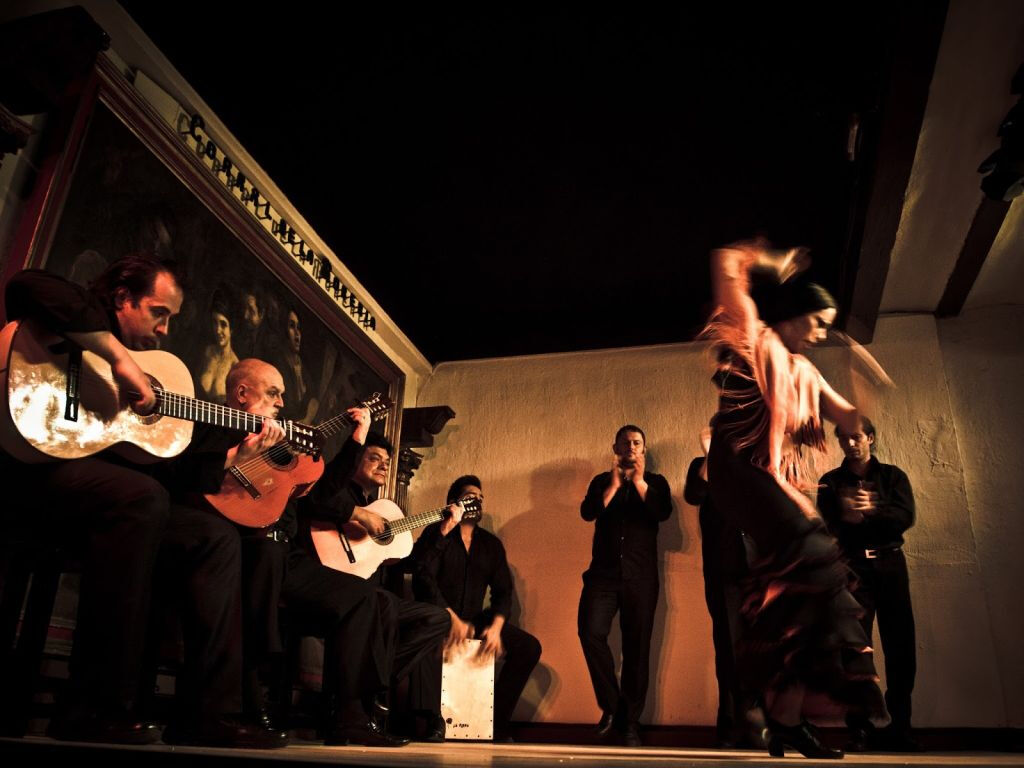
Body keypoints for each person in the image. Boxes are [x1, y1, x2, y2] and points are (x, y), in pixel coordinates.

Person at [1, 256, 262, 745]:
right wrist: (119, 361)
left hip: (115, 504)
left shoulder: (162, 377)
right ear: (122, 299)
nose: (164, 330)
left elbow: (172, 463)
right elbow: (28, 284)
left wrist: (234, 457)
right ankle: (93, 706)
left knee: (214, 536)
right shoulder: (80, 315)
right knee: (142, 497)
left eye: (170, 319)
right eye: (158, 312)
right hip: (33, 472)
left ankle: (207, 714)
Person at [702, 240, 886, 759]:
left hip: (770, 487)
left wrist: (868, 391)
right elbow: (724, 260)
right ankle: (762, 692)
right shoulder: (755, 337)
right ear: (795, 313)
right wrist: (773, 263)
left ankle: (785, 718)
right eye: (819, 321)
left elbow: (847, 415)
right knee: (816, 556)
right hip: (738, 471)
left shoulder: (807, 372)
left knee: (818, 603)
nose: (823, 331)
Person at [162, 358, 406, 747]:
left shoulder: (287, 441)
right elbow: (185, 476)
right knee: (262, 555)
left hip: (285, 552)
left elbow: (324, 496)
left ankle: (349, 717)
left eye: (282, 396)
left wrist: (356, 441)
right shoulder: (209, 424)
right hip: (244, 545)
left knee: (364, 598)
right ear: (242, 393)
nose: (280, 403)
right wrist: (238, 457)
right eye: (273, 393)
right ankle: (249, 701)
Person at [297, 431, 452, 738]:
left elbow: (407, 559)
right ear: (354, 459)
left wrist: (441, 531)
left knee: (438, 618)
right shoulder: (334, 491)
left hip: (371, 592)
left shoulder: (383, 508)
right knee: (383, 606)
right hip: (341, 586)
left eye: (386, 461)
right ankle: (362, 697)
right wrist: (361, 516)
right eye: (373, 458)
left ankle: (369, 683)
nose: (383, 465)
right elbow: (320, 500)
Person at [410, 475, 542, 742]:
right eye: (471, 497)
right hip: (438, 616)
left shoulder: (490, 544)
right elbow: (422, 576)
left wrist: (495, 627)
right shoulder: (436, 534)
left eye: (481, 498)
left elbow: (503, 592)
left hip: (475, 619)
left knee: (529, 647)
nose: (478, 502)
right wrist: (449, 617)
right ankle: (431, 722)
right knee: (423, 635)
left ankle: (498, 723)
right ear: (453, 503)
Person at [818, 417, 921, 752]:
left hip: (890, 565)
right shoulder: (831, 482)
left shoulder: (893, 477)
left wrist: (873, 511)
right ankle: (859, 730)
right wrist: (844, 520)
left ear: (871, 438)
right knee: (854, 649)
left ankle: (901, 728)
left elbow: (905, 518)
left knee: (900, 645)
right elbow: (825, 528)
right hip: (852, 568)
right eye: (844, 438)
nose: (850, 444)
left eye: (857, 437)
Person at [578, 425, 672, 747]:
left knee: (637, 649)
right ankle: (612, 706)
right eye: (626, 443)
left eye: (637, 443)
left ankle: (630, 723)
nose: (631, 448)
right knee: (590, 633)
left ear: (644, 450)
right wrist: (615, 484)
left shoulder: (656, 483)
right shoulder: (600, 482)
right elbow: (588, 512)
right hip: (602, 576)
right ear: (615, 447)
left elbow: (662, 512)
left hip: (641, 579)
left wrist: (639, 482)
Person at [683, 427, 765, 748]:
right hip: (722, 570)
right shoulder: (701, 464)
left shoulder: (757, 462)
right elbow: (695, 495)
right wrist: (709, 455)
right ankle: (731, 722)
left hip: (760, 570)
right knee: (728, 646)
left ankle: (759, 720)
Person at [195, 292, 239, 403]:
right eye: (215, 323)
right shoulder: (207, 352)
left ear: (232, 329)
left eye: (223, 324)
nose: (217, 330)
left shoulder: (235, 366)